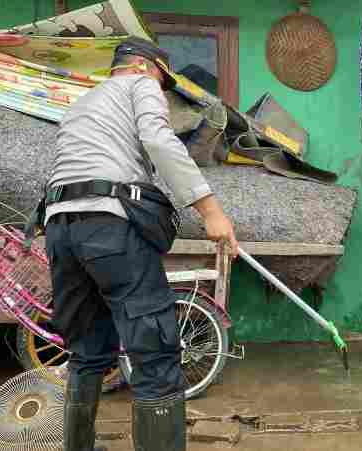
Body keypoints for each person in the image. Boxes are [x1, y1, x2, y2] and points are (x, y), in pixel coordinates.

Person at [43, 37, 238, 451]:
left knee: (87, 351)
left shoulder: (82, 102)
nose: (163, 91)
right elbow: (160, 141)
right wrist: (211, 212)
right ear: (147, 67)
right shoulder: (141, 85)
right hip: (109, 227)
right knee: (155, 354)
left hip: (59, 229)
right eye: (163, 81)